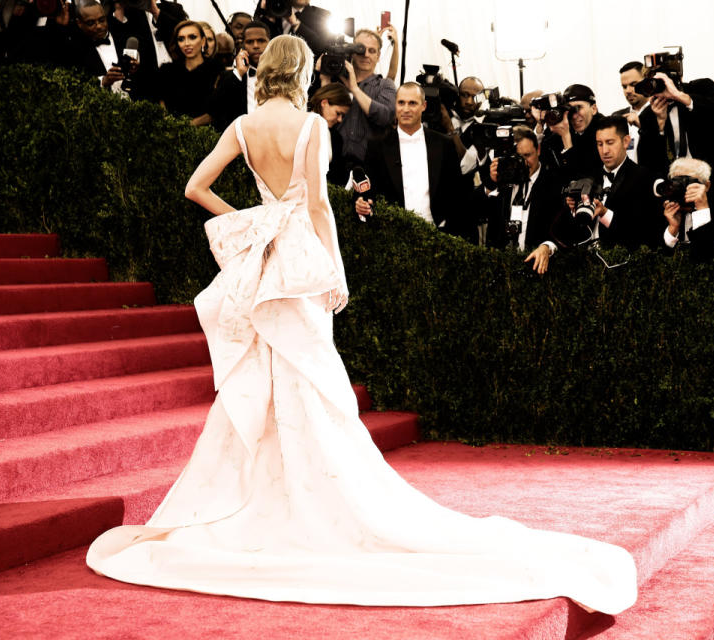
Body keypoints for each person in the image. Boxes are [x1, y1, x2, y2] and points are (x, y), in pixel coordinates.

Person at [85, 34, 638, 615]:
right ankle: (313, 501)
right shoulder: (308, 128)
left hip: (265, 263)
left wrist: (254, 222)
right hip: (299, 264)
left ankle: (265, 500)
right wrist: (335, 270)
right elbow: (321, 207)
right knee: (311, 377)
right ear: (300, 75)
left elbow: (196, 186)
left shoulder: (244, 127)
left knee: (272, 373)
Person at [638, 72, 714, 243]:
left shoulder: (701, 88)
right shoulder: (649, 113)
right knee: (689, 244)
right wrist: (659, 126)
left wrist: (679, 96)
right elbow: (646, 162)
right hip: (679, 191)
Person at [355, 82, 467, 236]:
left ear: (424, 106)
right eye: (401, 103)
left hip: (438, 233)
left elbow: (457, 192)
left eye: (412, 103)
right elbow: (368, 189)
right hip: (392, 234)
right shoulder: (377, 146)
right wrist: (361, 203)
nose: (406, 109)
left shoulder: (444, 144)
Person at [552, 115, 664, 251]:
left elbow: (644, 231)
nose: (604, 150)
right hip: (583, 263)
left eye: (610, 142)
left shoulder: (645, 178)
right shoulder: (588, 176)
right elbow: (567, 232)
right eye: (600, 144)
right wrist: (573, 211)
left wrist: (605, 214)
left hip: (622, 264)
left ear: (626, 141)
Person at [485, 125, 563, 273]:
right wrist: (491, 183)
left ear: (538, 150)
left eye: (528, 155)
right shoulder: (502, 181)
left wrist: (547, 246)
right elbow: (474, 211)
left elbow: (564, 228)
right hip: (502, 271)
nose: (523, 163)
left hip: (537, 270)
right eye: (518, 158)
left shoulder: (554, 184)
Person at [318, 28, 395, 166]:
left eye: (372, 51)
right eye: (360, 49)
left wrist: (354, 89)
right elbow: (321, 117)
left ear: (378, 56)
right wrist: (325, 80)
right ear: (352, 53)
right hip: (334, 164)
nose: (365, 55)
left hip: (370, 167)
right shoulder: (337, 81)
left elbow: (386, 117)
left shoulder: (385, 85)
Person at [157, 20, 221, 126]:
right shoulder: (167, 71)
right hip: (170, 135)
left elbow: (216, 110)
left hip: (207, 135)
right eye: (181, 39)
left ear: (203, 41)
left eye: (192, 37)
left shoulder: (216, 70)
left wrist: (186, 126)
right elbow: (161, 105)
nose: (187, 43)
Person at [209, 21, 270, 131]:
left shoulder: (281, 74)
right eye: (250, 42)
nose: (256, 46)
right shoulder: (231, 77)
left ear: (270, 43)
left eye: (261, 41)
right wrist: (239, 73)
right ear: (243, 45)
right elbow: (214, 109)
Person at [308, 82, 351, 185]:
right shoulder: (299, 124)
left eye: (343, 116)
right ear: (324, 103)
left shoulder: (336, 138)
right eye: (338, 113)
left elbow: (338, 178)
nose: (340, 120)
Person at [612, 61, 651, 164]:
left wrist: (644, 126)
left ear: (647, 82)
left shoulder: (659, 113)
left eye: (633, 85)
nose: (628, 91)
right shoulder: (617, 117)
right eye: (624, 87)